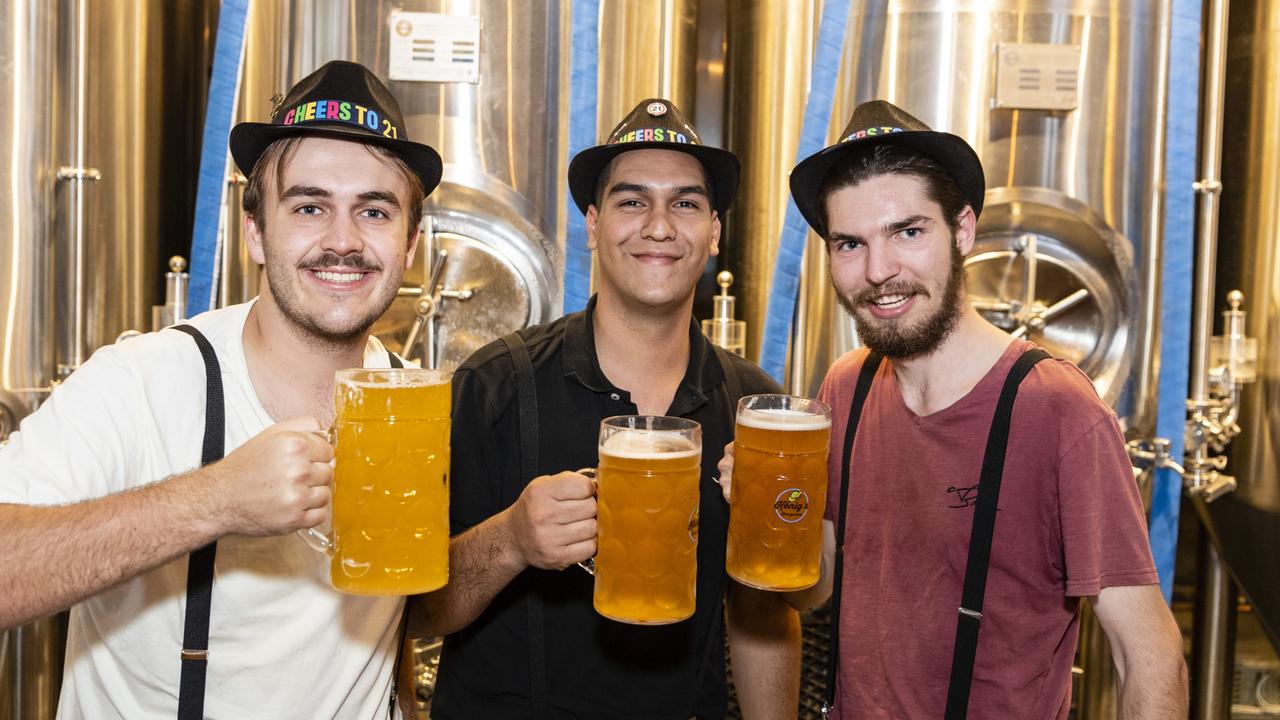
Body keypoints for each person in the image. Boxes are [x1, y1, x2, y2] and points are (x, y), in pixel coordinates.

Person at [0, 60, 440, 719]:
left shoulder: (416, 404)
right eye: (310, 206)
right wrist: (215, 501)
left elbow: (394, 628)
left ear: (410, 245)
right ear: (256, 233)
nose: (343, 242)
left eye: (374, 211)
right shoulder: (144, 380)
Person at [720, 100, 1187, 718]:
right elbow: (817, 590)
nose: (879, 271)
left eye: (907, 232)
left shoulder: (1057, 410)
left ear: (962, 230)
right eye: (850, 244)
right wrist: (771, 510)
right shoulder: (846, 388)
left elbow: (1149, 655)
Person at [410, 99, 801, 719]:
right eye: (631, 200)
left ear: (714, 231)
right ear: (592, 224)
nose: (659, 226)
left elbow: (761, 615)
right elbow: (420, 610)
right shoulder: (496, 384)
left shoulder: (749, 405)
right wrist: (510, 539)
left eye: (686, 203)